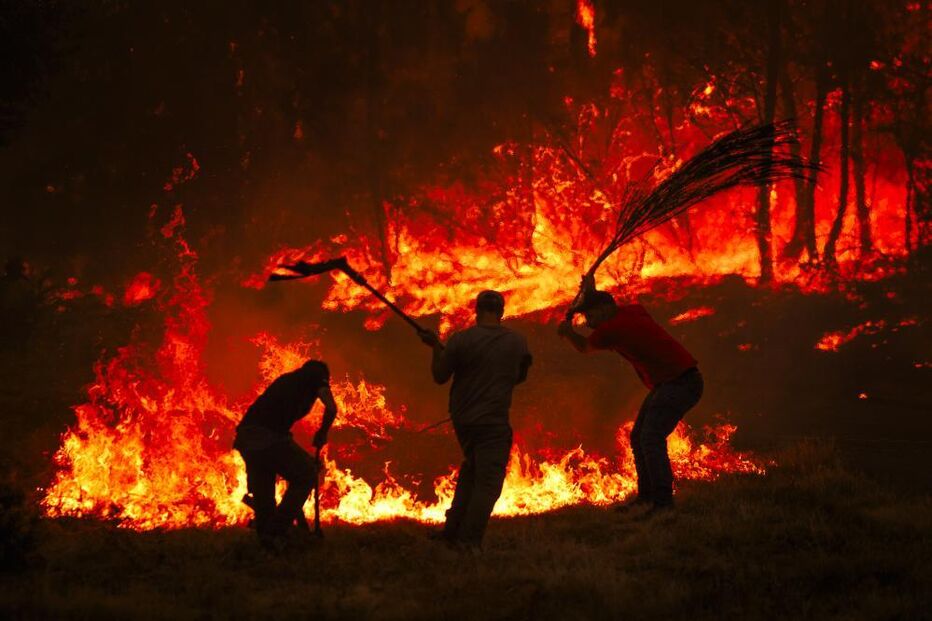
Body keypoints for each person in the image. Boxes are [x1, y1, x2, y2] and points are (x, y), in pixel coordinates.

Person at [558, 278, 702, 516]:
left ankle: (663, 502)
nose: (589, 324)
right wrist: (590, 293)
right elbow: (604, 305)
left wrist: (567, 332)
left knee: (651, 438)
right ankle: (647, 498)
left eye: (590, 317)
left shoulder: (614, 328)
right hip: (674, 381)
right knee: (639, 438)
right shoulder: (631, 312)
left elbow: (584, 347)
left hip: (679, 383)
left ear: (604, 311)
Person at [419, 290, 532, 550]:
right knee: (488, 483)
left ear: (477, 311)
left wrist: (435, 347)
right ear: (501, 312)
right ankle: (468, 542)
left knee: (471, 472)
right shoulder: (517, 342)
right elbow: (520, 376)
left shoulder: (461, 340)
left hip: (464, 421)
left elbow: (439, 375)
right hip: (492, 422)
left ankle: (452, 532)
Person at [233, 359, 337, 547]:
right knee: (307, 473)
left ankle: (267, 543)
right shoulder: (316, 376)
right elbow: (331, 407)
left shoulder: (290, 380)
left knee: (264, 493)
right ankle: (277, 530)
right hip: (266, 437)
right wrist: (322, 433)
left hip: (247, 438)